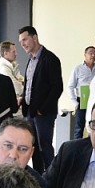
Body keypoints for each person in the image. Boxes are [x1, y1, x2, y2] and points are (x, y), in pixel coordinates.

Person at [19, 25, 63, 173]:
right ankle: (38, 178)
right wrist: (23, 100)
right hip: (30, 112)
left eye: (25, 39)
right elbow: (30, 86)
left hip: (43, 113)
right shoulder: (31, 60)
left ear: (35, 38)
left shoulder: (50, 59)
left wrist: (42, 109)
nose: (23, 44)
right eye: (21, 42)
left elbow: (57, 88)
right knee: (34, 148)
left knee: (45, 147)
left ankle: (52, 178)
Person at [67, 45, 95, 139]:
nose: (93, 55)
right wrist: (75, 102)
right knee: (79, 128)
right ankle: (77, 147)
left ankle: (91, 146)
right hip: (81, 101)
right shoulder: (78, 69)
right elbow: (70, 86)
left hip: (94, 101)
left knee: (93, 127)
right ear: (85, 55)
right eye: (90, 53)